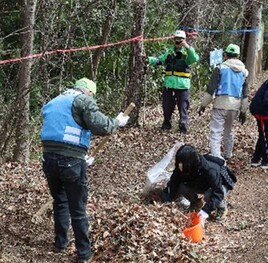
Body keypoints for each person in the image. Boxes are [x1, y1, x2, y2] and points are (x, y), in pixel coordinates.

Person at [40, 78, 129, 263]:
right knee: (78, 208)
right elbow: (101, 126)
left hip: (48, 159)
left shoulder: (54, 101)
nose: (92, 98)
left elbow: (61, 128)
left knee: (60, 201)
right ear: (88, 91)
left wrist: (81, 156)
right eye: (92, 95)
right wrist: (117, 122)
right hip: (70, 161)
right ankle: (84, 253)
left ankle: (60, 243)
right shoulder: (82, 100)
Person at [161, 144, 237, 223]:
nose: (180, 166)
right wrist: (167, 199)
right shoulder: (182, 168)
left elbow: (218, 192)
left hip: (221, 185)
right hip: (201, 183)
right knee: (181, 186)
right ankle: (195, 203)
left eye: (182, 163)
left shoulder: (210, 170)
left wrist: (205, 211)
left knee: (208, 195)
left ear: (190, 164)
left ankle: (222, 207)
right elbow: (173, 182)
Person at [198, 44, 249, 160]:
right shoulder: (244, 72)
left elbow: (210, 89)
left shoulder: (220, 68)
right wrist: (243, 111)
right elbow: (245, 94)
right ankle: (228, 154)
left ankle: (216, 156)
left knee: (216, 132)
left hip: (220, 104)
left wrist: (203, 105)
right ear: (238, 56)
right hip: (235, 107)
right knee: (229, 131)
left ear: (225, 55)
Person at [148, 30, 200, 134]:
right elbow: (159, 60)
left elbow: (195, 58)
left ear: (184, 40)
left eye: (180, 40)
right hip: (169, 84)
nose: (178, 42)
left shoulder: (187, 52)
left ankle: (183, 126)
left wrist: (187, 46)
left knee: (183, 107)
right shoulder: (169, 52)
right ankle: (167, 124)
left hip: (182, 85)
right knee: (166, 106)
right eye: (176, 39)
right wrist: (148, 59)